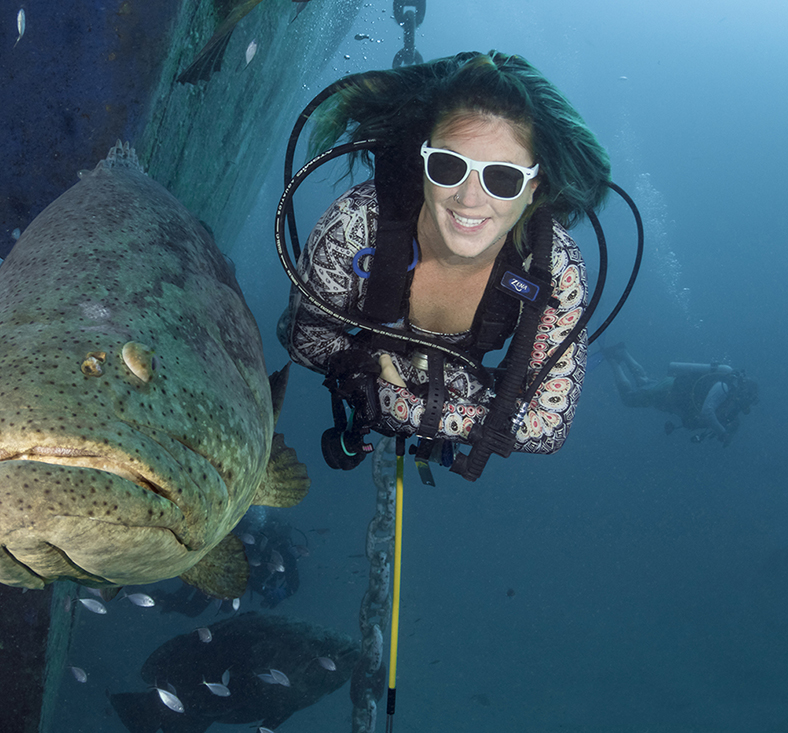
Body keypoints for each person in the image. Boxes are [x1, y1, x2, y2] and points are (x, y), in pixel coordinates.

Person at [278, 51, 611, 471]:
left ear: (534, 187)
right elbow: (301, 337)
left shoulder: (553, 266)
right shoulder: (356, 223)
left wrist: (403, 407)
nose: (470, 198)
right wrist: (370, 374)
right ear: (423, 163)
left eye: (502, 177)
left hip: (456, 379)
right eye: (448, 166)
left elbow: (548, 425)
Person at [603, 344, 758, 446]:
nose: (746, 403)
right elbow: (707, 412)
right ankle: (613, 360)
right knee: (628, 399)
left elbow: (730, 420)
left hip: (671, 390)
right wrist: (723, 433)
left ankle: (623, 354)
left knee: (644, 382)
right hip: (669, 392)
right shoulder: (723, 388)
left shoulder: (730, 398)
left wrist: (729, 431)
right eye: (748, 398)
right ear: (743, 390)